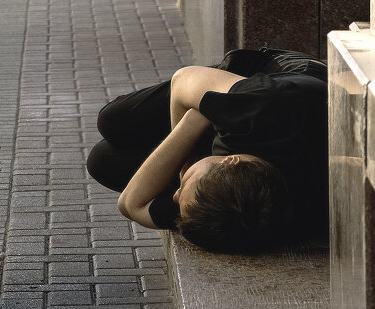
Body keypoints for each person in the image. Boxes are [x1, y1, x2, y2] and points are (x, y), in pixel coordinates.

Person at [89, 49, 327, 253]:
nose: (175, 195)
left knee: (103, 162)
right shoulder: (262, 108)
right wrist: (184, 167)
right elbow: (183, 80)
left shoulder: (244, 211)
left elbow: (130, 205)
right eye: (184, 187)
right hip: (269, 78)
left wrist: (192, 123)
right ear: (230, 161)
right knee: (113, 120)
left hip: (233, 133)